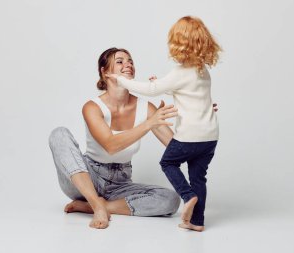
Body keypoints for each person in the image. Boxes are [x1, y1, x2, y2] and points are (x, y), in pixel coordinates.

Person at [106, 16, 221, 232]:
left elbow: (151, 91)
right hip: (210, 138)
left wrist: (121, 80)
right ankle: (196, 222)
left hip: (190, 136)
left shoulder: (180, 71)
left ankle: (188, 197)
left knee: (168, 163)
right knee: (198, 177)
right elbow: (186, 91)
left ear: (178, 42)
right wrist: (162, 86)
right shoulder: (202, 71)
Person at [49, 47, 181, 229]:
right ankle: (96, 205)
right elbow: (110, 145)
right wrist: (149, 124)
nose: (128, 65)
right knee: (59, 134)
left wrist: (198, 116)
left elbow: (177, 148)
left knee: (171, 200)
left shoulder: (146, 108)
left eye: (130, 61)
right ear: (105, 72)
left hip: (121, 184)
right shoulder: (92, 107)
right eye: (120, 61)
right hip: (86, 178)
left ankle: (98, 206)